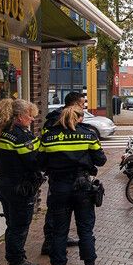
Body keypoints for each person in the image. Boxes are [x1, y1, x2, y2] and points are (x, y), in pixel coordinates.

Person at [39, 106, 106, 265]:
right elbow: (101, 159)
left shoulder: (49, 136)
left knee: (59, 231)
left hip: (59, 188)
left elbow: (39, 161)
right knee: (85, 230)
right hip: (82, 187)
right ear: (79, 119)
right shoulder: (88, 135)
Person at [0, 98, 43, 265]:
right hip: (20, 188)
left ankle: (18, 258)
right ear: (19, 117)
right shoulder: (22, 137)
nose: (32, 119)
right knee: (19, 227)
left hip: (4, 185)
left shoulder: (1, 133)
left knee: (12, 225)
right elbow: (35, 162)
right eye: (30, 115)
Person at [40, 91, 86, 255]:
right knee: (55, 208)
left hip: (63, 175)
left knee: (61, 209)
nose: (83, 107)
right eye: (81, 104)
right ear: (73, 104)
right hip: (59, 174)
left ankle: (59, 237)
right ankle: (49, 241)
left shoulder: (67, 119)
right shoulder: (56, 121)